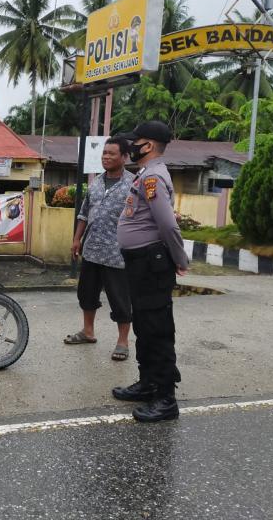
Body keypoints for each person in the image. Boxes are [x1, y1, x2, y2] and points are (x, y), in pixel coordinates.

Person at [111, 121, 190, 423]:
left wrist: (179, 258)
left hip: (151, 262)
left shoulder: (154, 176)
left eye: (136, 141)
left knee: (157, 328)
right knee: (143, 325)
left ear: (150, 145)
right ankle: (148, 383)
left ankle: (166, 398)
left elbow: (168, 225)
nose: (131, 146)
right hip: (141, 261)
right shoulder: (145, 174)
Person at [64, 137, 134, 361]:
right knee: (86, 293)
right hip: (92, 250)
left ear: (124, 157)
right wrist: (77, 239)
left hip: (117, 254)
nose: (106, 156)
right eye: (104, 153)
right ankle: (88, 331)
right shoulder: (95, 183)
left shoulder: (133, 184)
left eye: (112, 153)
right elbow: (84, 213)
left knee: (120, 299)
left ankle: (122, 342)